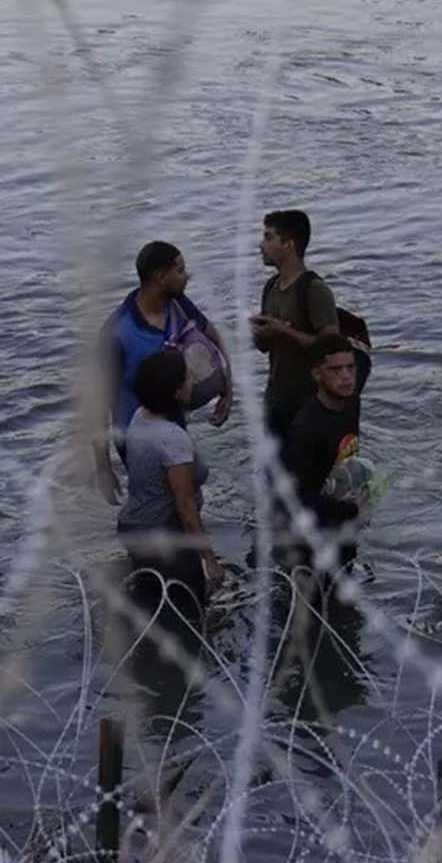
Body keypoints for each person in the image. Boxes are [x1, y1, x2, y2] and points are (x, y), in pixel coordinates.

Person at [114, 348, 223, 624]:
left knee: (153, 608)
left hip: (134, 527)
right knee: (190, 615)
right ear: (175, 391)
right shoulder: (172, 439)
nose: (192, 382)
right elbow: (185, 508)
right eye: (187, 378)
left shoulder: (140, 417)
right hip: (163, 537)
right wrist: (210, 560)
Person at [106, 242, 231, 432]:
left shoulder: (178, 304)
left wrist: (227, 391)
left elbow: (216, 339)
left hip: (174, 426)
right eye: (180, 271)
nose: (187, 276)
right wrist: (103, 461)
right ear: (161, 277)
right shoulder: (117, 332)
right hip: (136, 437)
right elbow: (98, 404)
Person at [249, 209, 339, 441]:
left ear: (288, 245)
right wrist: (260, 333)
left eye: (269, 238)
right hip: (276, 399)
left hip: (310, 402)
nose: (261, 245)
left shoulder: (314, 289)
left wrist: (283, 331)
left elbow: (332, 348)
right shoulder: (271, 286)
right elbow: (264, 348)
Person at [279, 333, 365, 569]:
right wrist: (350, 507)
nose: (346, 376)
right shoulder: (305, 428)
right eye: (336, 370)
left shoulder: (352, 402)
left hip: (344, 521)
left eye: (350, 367)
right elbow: (294, 498)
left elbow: (349, 455)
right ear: (317, 374)